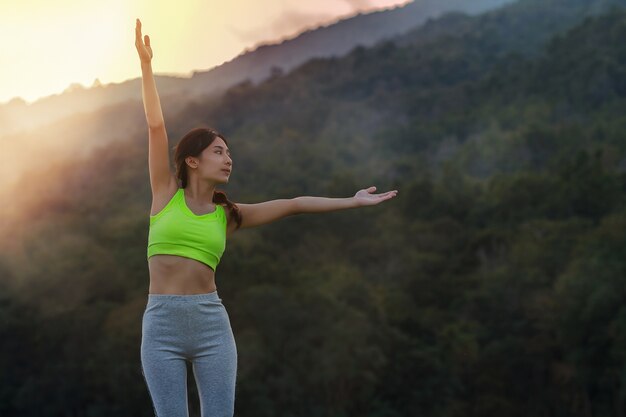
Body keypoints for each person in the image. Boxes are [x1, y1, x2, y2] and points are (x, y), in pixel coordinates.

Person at [135, 18, 399, 417]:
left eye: (229, 153)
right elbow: (156, 126)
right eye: (219, 152)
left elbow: (294, 203)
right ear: (193, 160)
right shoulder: (164, 196)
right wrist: (146, 66)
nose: (228, 159)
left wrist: (353, 200)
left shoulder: (228, 215)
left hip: (211, 327)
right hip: (161, 328)